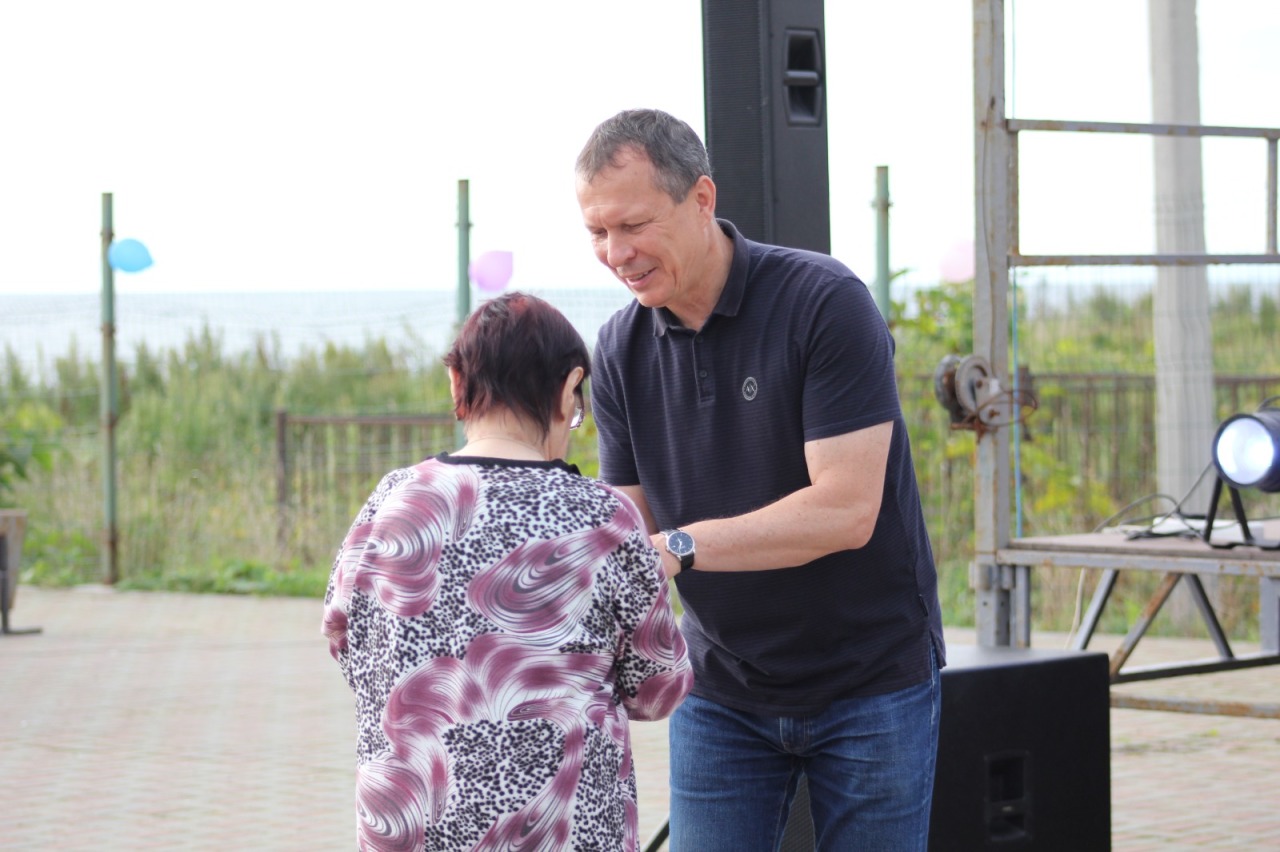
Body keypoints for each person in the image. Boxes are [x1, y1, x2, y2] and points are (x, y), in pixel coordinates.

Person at [575, 109, 946, 851]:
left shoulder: (824, 302)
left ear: (703, 199)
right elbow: (626, 531)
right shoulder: (617, 348)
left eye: (634, 225)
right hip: (719, 690)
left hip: (871, 679)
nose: (617, 253)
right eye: (597, 233)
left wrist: (680, 544)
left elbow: (845, 510)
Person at [322, 291, 693, 852]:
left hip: (410, 821)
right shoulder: (602, 516)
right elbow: (658, 690)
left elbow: (345, 639)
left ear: (456, 384)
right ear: (570, 390)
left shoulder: (393, 500)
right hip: (561, 828)